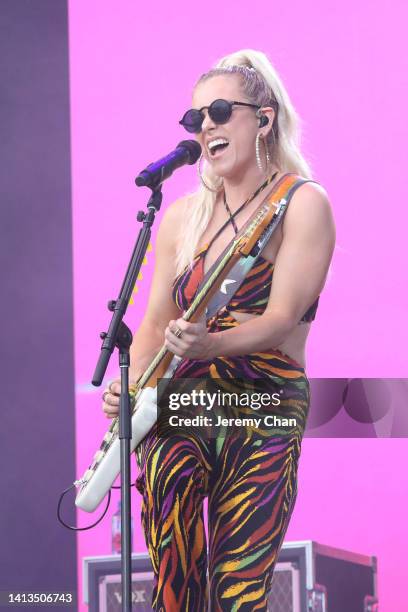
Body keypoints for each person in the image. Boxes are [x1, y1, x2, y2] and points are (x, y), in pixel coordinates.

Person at [102, 49, 336, 612]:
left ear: (264, 117)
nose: (205, 126)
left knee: (239, 586)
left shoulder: (303, 203)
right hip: (182, 403)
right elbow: (157, 321)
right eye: (195, 118)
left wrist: (213, 343)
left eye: (220, 111)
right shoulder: (181, 216)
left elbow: (281, 320)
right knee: (175, 581)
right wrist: (131, 390)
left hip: (263, 405)